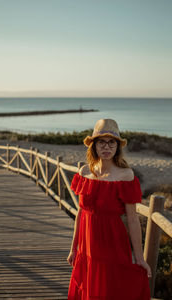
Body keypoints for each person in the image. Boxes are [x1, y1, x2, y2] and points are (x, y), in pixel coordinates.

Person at [67, 119, 152, 300]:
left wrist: (140, 257)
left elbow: (133, 219)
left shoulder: (125, 175)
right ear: (94, 146)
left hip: (112, 241)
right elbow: (81, 213)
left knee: (110, 289)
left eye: (111, 142)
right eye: (101, 142)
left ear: (117, 146)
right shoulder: (84, 172)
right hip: (87, 243)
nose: (107, 147)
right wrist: (74, 248)